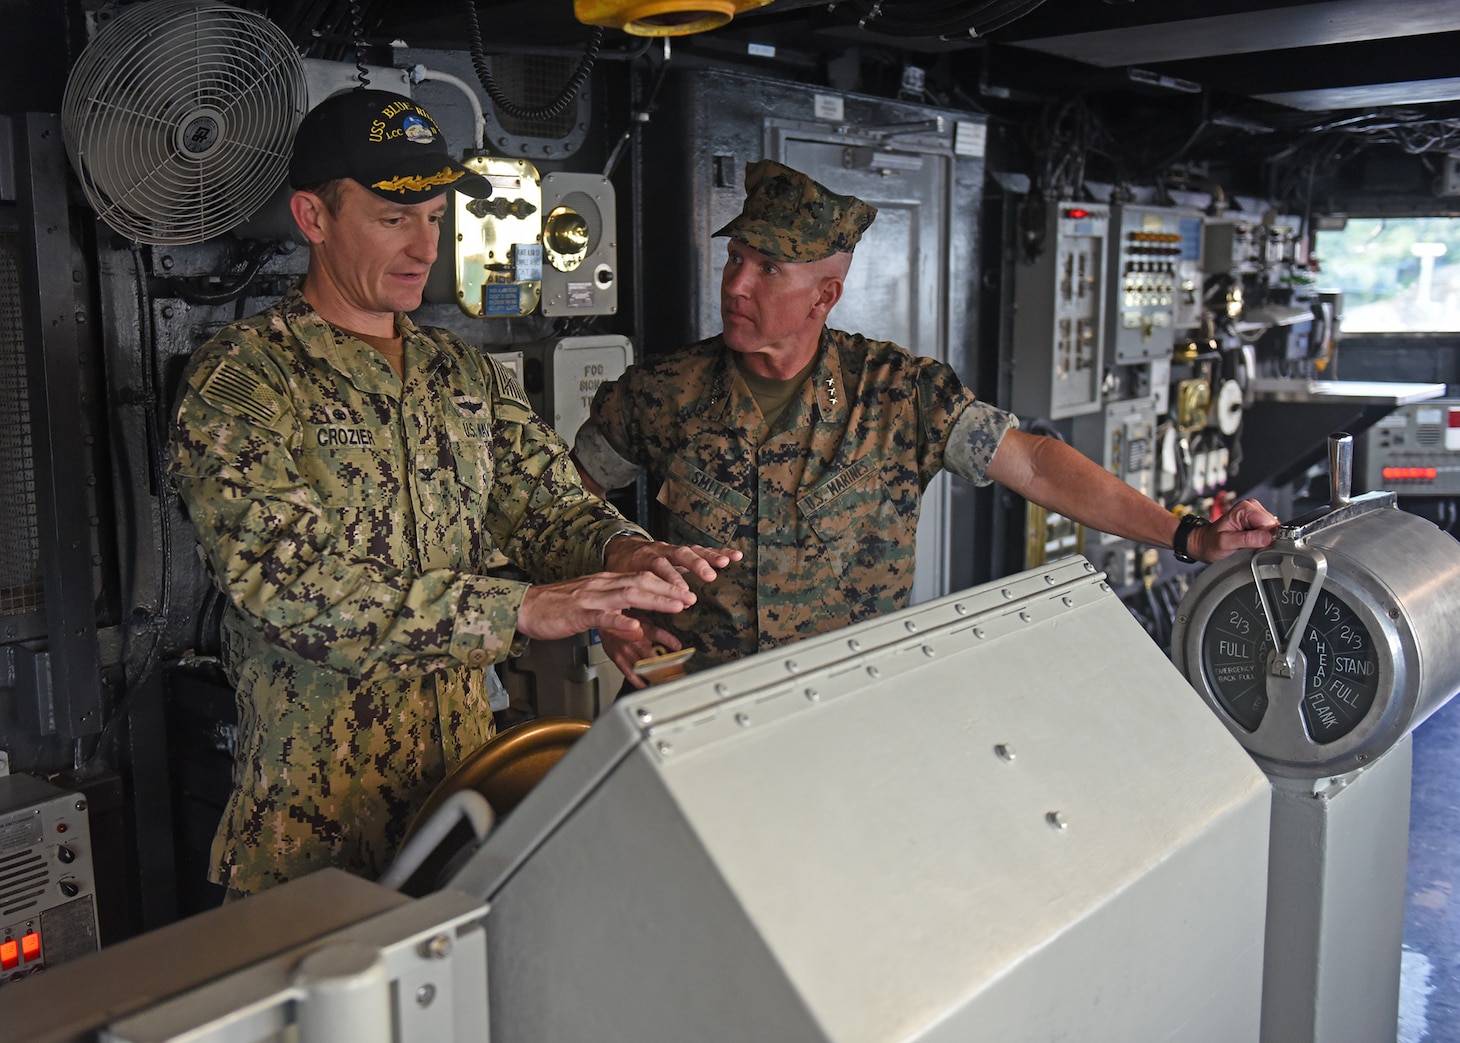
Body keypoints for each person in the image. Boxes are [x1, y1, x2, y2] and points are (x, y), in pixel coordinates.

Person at [169, 88, 736, 897]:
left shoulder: (458, 371)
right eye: (393, 218)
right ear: (313, 217)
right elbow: (289, 592)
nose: (422, 247)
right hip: (314, 832)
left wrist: (628, 553)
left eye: (434, 218)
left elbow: (547, 504)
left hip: (463, 802)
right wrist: (524, 610)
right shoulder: (247, 380)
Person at [574, 159, 1278, 677]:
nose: (736, 284)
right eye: (735, 258)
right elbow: (568, 503)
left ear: (825, 295)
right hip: (697, 712)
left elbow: (1034, 462)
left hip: (851, 710)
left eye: (766, 269)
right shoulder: (663, 392)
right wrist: (610, 611)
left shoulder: (899, 394)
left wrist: (1187, 533)